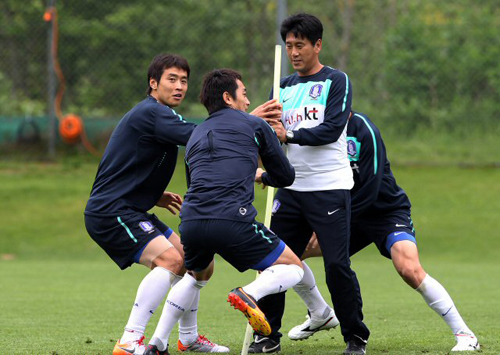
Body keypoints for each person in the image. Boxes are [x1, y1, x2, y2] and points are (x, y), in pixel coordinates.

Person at [143, 68, 306, 355]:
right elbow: (286, 176)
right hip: (232, 218)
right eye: (244, 94)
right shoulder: (257, 126)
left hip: (191, 220)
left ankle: (157, 342)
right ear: (229, 97)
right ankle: (250, 294)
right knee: (294, 266)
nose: (247, 101)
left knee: (197, 274)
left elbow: (195, 181)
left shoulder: (195, 133)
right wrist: (262, 176)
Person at [287, 112, 480, 352]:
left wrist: (335, 220)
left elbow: (370, 187)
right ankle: (320, 313)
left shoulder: (365, 129)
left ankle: (465, 334)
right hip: (344, 214)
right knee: (290, 255)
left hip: (385, 212)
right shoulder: (314, 132)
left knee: (408, 268)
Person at [84, 53, 229, 354]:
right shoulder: (152, 112)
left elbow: (131, 160)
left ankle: (188, 337)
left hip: (130, 207)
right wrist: (242, 122)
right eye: (171, 79)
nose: (179, 86)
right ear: (153, 83)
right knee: (171, 261)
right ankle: (130, 340)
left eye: (184, 81)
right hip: (112, 211)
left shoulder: (160, 113)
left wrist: (153, 195)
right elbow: (197, 135)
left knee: (195, 261)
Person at [251, 13, 370, 355]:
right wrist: (262, 132)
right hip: (289, 190)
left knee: (336, 264)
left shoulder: (337, 81)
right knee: (277, 263)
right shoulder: (282, 87)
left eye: (300, 45)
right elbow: (268, 137)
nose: (294, 52)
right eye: (289, 46)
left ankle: (355, 337)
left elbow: (331, 130)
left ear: (317, 45)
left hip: (329, 188)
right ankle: (268, 335)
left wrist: (288, 134)